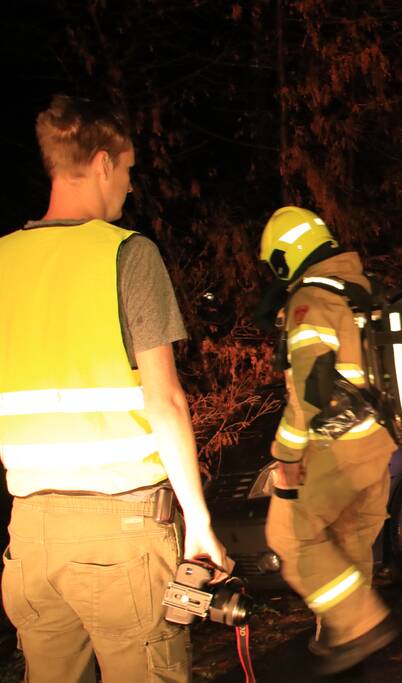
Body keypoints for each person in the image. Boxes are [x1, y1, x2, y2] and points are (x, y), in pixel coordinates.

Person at [0, 94, 229, 681]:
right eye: (127, 169)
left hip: (29, 536)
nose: (128, 185)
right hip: (120, 535)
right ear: (102, 163)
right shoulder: (127, 254)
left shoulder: (5, 261)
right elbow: (165, 401)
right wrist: (198, 521)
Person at [260, 206, 397, 674]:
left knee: (288, 535)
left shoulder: (309, 303)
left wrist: (287, 456)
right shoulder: (361, 291)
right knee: (349, 541)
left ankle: (360, 624)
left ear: (284, 258)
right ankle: (342, 635)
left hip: (336, 451)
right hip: (379, 445)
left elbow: (307, 397)